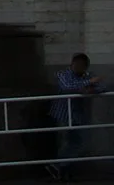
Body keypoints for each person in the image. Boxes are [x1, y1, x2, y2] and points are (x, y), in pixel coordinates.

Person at [50, 52, 104, 180]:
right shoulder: (63, 74)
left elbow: (102, 86)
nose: (79, 67)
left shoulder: (86, 75)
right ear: (72, 64)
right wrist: (88, 83)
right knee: (67, 142)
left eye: (82, 65)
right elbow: (67, 86)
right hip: (63, 114)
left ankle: (60, 166)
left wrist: (91, 89)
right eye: (77, 64)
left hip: (78, 115)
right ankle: (59, 167)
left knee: (79, 142)